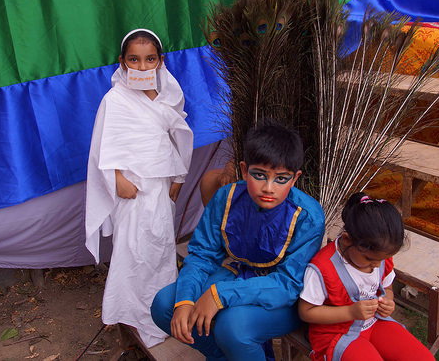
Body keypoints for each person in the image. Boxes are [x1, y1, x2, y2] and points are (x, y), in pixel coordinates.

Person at [151, 121, 326, 360]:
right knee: (165, 305)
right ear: (244, 170)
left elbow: (287, 284)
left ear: (295, 178)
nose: (268, 188)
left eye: (281, 179)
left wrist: (219, 295)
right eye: (259, 175)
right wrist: (185, 300)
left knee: (232, 327)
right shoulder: (227, 196)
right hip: (235, 274)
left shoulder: (307, 216)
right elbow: (202, 254)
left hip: (283, 297)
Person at [85, 29, 193, 348]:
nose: (142, 67)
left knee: (158, 249)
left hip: (159, 189)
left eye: (149, 60)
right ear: (123, 62)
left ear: (160, 62)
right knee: (132, 251)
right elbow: (101, 148)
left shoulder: (168, 97)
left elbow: (177, 136)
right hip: (131, 190)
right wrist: (117, 180)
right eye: (134, 60)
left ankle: (159, 313)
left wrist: (177, 179)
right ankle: (132, 312)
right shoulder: (114, 100)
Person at [298, 193, 435, 361]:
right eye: (370, 259)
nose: (377, 265)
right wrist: (350, 311)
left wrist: (388, 302)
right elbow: (306, 312)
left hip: (374, 323)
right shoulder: (322, 268)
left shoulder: (379, 257)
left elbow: (387, 287)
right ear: (347, 240)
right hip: (336, 335)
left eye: (382, 259)